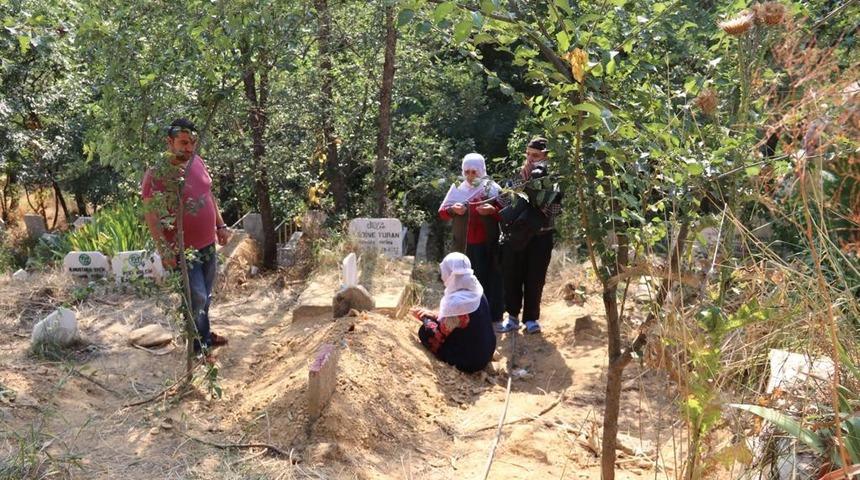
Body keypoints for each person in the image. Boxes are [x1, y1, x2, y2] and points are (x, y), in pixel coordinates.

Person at [142, 118, 231, 354]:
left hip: (208, 244)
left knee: (205, 295)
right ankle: (199, 348)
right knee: (196, 297)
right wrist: (164, 250)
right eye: (183, 143)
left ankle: (204, 335)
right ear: (169, 142)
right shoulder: (156, 174)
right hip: (183, 250)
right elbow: (151, 215)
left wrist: (220, 225)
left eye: (192, 142)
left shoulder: (197, 162)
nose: (189, 148)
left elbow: (208, 195)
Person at [496, 137, 562, 335]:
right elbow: (502, 200)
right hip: (516, 235)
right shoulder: (519, 174)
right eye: (528, 154)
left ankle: (531, 319)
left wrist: (539, 195)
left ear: (546, 157)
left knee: (535, 278)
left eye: (536, 155)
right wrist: (522, 185)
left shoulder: (553, 178)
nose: (531, 159)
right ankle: (512, 317)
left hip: (541, 236)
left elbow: (556, 210)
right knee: (512, 276)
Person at [438, 153, 505, 324]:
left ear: (481, 170)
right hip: (464, 244)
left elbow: (507, 214)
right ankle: (466, 316)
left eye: (474, 172)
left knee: (488, 277)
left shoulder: (491, 189)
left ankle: (490, 316)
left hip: (487, 243)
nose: (470, 176)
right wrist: (453, 209)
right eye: (466, 172)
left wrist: (492, 210)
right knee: (463, 280)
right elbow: (442, 213)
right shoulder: (458, 189)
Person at [410, 252, 496, 373]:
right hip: (488, 351)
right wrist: (434, 315)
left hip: (471, 361)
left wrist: (424, 319)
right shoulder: (476, 289)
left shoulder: (457, 303)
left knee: (425, 332)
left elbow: (439, 336)